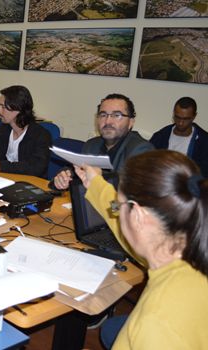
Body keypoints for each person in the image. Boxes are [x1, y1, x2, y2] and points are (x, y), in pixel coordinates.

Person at [73, 150, 208, 349]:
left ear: (138, 215)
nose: (116, 212)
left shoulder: (157, 323)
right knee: (113, 329)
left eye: (118, 207)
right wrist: (95, 184)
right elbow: (130, 224)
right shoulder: (185, 243)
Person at [52, 93, 154, 190]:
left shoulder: (142, 150)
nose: (108, 121)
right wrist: (64, 177)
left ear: (131, 122)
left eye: (116, 115)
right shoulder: (91, 144)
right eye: (103, 115)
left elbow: (130, 193)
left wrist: (96, 178)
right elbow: (75, 173)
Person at [150, 97, 208, 177]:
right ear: (173, 114)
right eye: (177, 117)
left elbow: (204, 174)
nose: (180, 123)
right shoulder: (160, 137)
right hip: (162, 184)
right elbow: (148, 164)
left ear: (194, 116)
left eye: (186, 119)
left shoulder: (204, 141)